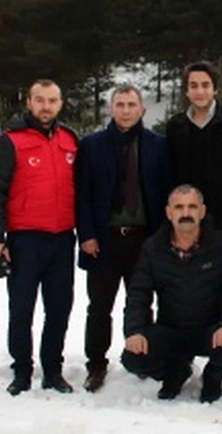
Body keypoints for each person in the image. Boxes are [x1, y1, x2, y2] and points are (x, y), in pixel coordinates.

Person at [74, 84, 173, 392]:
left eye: (132, 104)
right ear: (111, 108)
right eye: (120, 104)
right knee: (100, 306)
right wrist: (87, 235)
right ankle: (96, 363)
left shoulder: (158, 145)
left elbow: (166, 191)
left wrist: (162, 238)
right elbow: (83, 196)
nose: (126, 110)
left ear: (141, 109)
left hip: (145, 239)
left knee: (141, 303)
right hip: (104, 239)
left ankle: (142, 358)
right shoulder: (92, 146)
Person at [0, 79, 80, 395]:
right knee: (22, 308)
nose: (46, 106)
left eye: (52, 100)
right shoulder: (10, 141)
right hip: (25, 239)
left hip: (63, 238)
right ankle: (22, 371)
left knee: (59, 307)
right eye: (40, 100)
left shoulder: (69, 139)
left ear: (60, 104)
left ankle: (52, 370)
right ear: (29, 102)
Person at [122, 184, 222, 403]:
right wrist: (134, 331)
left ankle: (213, 377)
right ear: (169, 213)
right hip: (172, 331)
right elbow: (138, 295)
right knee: (133, 357)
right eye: (179, 207)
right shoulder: (153, 248)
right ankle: (176, 372)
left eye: (192, 207)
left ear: (202, 211)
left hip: (211, 331)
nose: (186, 213)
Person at [165, 61, 222, 232]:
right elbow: (171, 173)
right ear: (186, 91)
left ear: (215, 89)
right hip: (187, 219)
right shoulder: (176, 126)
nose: (200, 91)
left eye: (205, 85)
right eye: (193, 86)